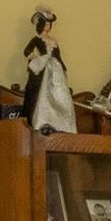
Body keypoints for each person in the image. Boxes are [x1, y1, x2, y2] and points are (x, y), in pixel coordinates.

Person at [20, 7, 76, 135]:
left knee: (59, 93)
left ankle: (59, 122)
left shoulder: (53, 41)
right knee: (41, 92)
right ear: (40, 25)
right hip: (43, 67)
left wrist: (64, 68)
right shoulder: (37, 39)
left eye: (49, 24)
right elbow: (27, 51)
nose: (47, 26)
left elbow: (58, 56)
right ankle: (40, 120)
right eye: (45, 24)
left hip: (55, 68)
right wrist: (36, 58)